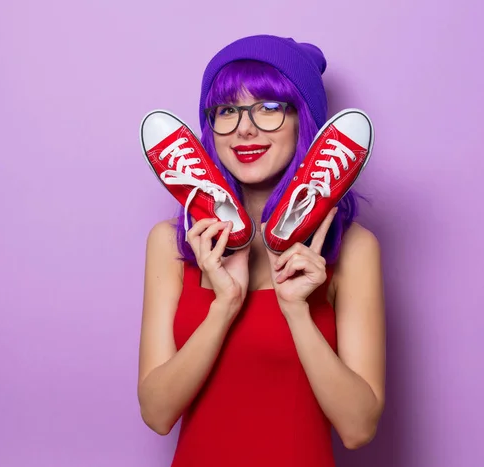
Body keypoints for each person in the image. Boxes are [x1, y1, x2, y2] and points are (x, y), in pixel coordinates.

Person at [137, 34, 386, 467]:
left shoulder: (353, 248)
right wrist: (224, 307)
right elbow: (157, 414)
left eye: (269, 108)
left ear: (305, 120)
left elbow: (359, 428)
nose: (244, 128)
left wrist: (296, 311)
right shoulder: (172, 243)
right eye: (226, 110)